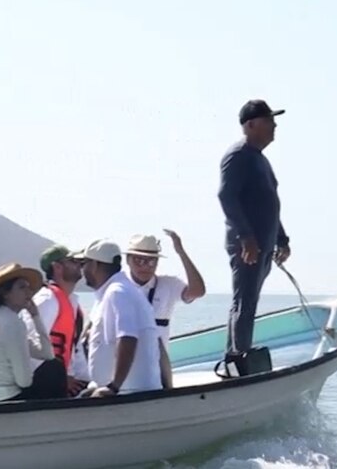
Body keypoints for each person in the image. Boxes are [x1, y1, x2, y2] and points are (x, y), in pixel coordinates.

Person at [218, 99, 291, 369]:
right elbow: (226, 196)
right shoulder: (238, 155)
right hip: (247, 245)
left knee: (248, 301)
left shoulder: (260, 160)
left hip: (263, 245)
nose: (274, 125)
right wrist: (246, 237)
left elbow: (268, 203)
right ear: (250, 125)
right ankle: (239, 361)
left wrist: (281, 238)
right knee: (244, 301)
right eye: (269, 120)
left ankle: (236, 357)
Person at [75, 239, 168, 396]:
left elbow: (128, 338)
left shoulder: (118, 292)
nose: (82, 269)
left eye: (84, 263)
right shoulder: (114, 292)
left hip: (128, 394)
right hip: (123, 393)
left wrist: (113, 387)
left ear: (95, 265)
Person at [0, 263, 65, 404]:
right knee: (54, 371)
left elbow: (47, 354)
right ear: (6, 293)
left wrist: (35, 316)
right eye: (22, 287)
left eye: (28, 287)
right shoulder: (11, 324)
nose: (29, 292)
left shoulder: (5, 319)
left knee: (53, 366)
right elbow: (24, 381)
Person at [123, 231, 206, 346]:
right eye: (139, 260)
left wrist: (181, 252)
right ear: (128, 260)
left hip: (157, 361)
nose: (145, 266)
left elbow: (197, 291)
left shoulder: (168, 285)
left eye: (151, 261)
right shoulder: (117, 286)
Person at [31, 245, 92, 397]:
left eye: (82, 262)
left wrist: (86, 379)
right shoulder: (46, 300)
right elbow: (30, 345)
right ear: (57, 267)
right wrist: (60, 380)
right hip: (42, 386)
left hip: (60, 384)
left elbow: (74, 348)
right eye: (74, 261)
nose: (80, 266)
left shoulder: (72, 303)